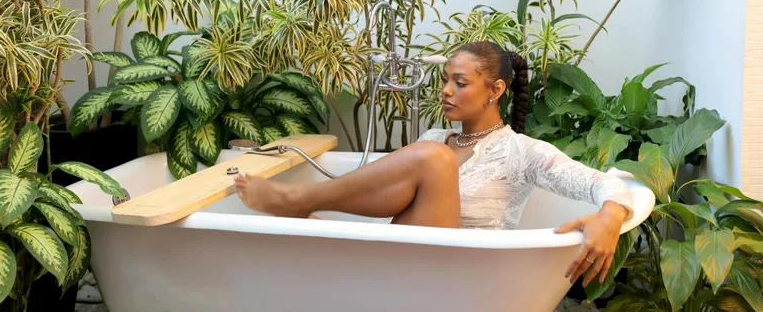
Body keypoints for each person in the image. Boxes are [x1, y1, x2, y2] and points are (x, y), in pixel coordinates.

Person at [235, 41, 633, 287]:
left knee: (435, 159)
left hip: (463, 284)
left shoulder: (520, 151)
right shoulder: (432, 140)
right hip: (406, 269)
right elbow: (391, 210)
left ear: (495, 90)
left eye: (460, 83)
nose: (445, 91)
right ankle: (304, 210)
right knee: (433, 154)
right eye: (445, 80)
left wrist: (610, 218)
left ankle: (300, 199)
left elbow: (607, 184)